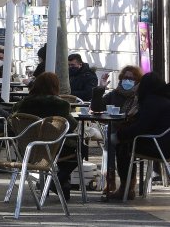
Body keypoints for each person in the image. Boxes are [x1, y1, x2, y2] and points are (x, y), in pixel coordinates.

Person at [13, 72, 78, 200]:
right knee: (79, 148)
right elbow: (70, 125)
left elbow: (13, 123)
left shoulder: (22, 104)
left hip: (27, 149)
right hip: (54, 148)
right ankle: (57, 180)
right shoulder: (61, 105)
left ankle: (55, 183)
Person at [111, 72, 170, 200]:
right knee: (127, 143)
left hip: (157, 146)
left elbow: (141, 127)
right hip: (164, 143)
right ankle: (128, 187)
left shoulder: (152, 101)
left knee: (122, 146)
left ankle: (125, 188)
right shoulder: (164, 99)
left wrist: (119, 135)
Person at [90, 65, 143, 193]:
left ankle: (127, 185)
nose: (127, 80)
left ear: (137, 80)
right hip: (115, 129)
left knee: (119, 143)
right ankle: (110, 181)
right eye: (125, 77)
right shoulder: (115, 94)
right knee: (110, 142)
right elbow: (96, 108)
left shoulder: (139, 95)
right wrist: (100, 88)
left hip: (132, 132)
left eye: (131, 78)